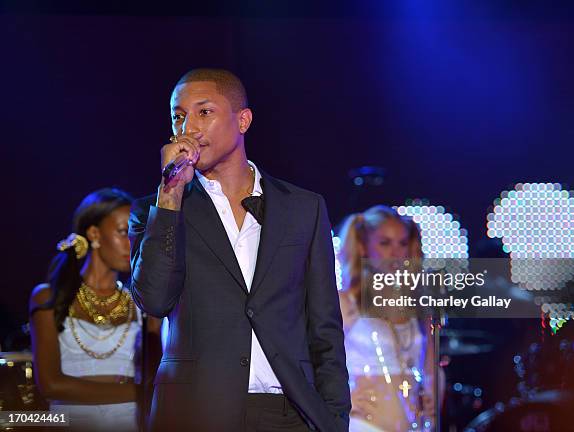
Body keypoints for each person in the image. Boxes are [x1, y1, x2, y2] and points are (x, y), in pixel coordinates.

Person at [129, 68, 351, 431]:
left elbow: (324, 325)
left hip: (289, 412)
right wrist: (170, 193)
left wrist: (334, 418)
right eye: (179, 116)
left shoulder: (303, 208)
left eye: (204, 112)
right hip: (196, 411)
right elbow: (153, 300)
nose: (190, 128)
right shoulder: (157, 210)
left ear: (243, 120)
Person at [29, 188, 157, 432]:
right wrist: (135, 390)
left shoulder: (142, 302)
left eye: (136, 233)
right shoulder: (49, 296)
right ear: (94, 233)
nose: (132, 243)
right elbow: (50, 385)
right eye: (123, 232)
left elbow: (156, 379)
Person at [337, 205, 441, 432]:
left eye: (402, 243)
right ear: (364, 247)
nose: (396, 253)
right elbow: (311, 362)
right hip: (363, 424)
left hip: (416, 425)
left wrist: (434, 395)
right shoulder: (346, 302)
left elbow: (431, 367)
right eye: (385, 243)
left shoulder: (419, 306)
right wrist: (339, 399)